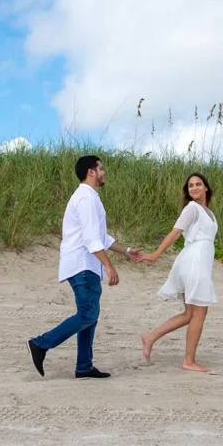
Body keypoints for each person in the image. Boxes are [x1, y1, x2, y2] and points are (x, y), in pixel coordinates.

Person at [27, 155, 142, 379]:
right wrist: (109, 266)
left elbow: (101, 236)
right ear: (91, 171)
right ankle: (41, 344)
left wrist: (127, 251)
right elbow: (91, 239)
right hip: (82, 264)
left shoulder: (89, 197)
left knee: (90, 314)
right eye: (101, 168)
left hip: (84, 264)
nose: (104, 171)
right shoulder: (86, 198)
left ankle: (84, 366)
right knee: (88, 314)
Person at [139, 173, 218, 373]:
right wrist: (156, 254)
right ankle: (189, 361)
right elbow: (176, 232)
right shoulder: (192, 208)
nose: (194, 188)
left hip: (196, 261)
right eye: (190, 186)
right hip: (194, 263)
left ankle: (150, 337)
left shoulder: (207, 212)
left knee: (190, 314)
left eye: (198, 184)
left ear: (206, 188)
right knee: (200, 312)